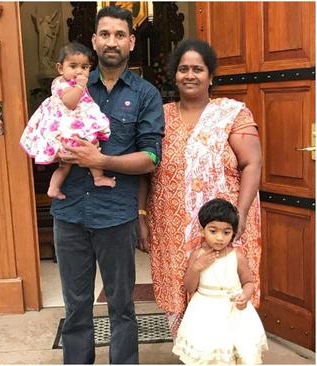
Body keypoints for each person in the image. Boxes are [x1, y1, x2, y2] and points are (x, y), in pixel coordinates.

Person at [54, 6, 165, 364]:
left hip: (116, 216)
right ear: (94, 41)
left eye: (120, 35)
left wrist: (102, 162)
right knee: (76, 308)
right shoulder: (69, 88)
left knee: (121, 307)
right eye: (105, 34)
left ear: (131, 41)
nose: (111, 42)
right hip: (69, 213)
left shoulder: (146, 94)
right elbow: (44, 133)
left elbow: (150, 158)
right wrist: (57, 152)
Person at [137, 39, 262, 339]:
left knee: (224, 288)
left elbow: (252, 164)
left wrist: (241, 214)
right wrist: (141, 215)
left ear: (210, 76)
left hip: (223, 225)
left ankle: (225, 354)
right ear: (174, 75)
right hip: (170, 226)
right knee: (179, 290)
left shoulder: (233, 113)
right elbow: (144, 170)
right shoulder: (160, 116)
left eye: (197, 69)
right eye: (183, 69)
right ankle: (190, 353)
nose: (190, 75)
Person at [172, 198, 268, 364]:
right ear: (203, 231)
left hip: (233, 312)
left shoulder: (237, 256)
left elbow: (248, 282)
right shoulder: (198, 255)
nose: (219, 238)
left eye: (226, 232)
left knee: (234, 352)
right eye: (213, 231)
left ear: (233, 233)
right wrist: (197, 267)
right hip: (204, 311)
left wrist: (245, 296)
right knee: (207, 353)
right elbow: (189, 287)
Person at [20, 42, 114, 200]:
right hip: (68, 128)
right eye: (73, 66)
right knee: (90, 147)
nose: (79, 71)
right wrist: (79, 86)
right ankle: (96, 178)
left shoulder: (74, 83)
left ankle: (54, 187)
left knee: (70, 163)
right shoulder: (61, 84)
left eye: (84, 67)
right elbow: (70, 103)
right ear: (60, 68)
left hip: (73, 125)